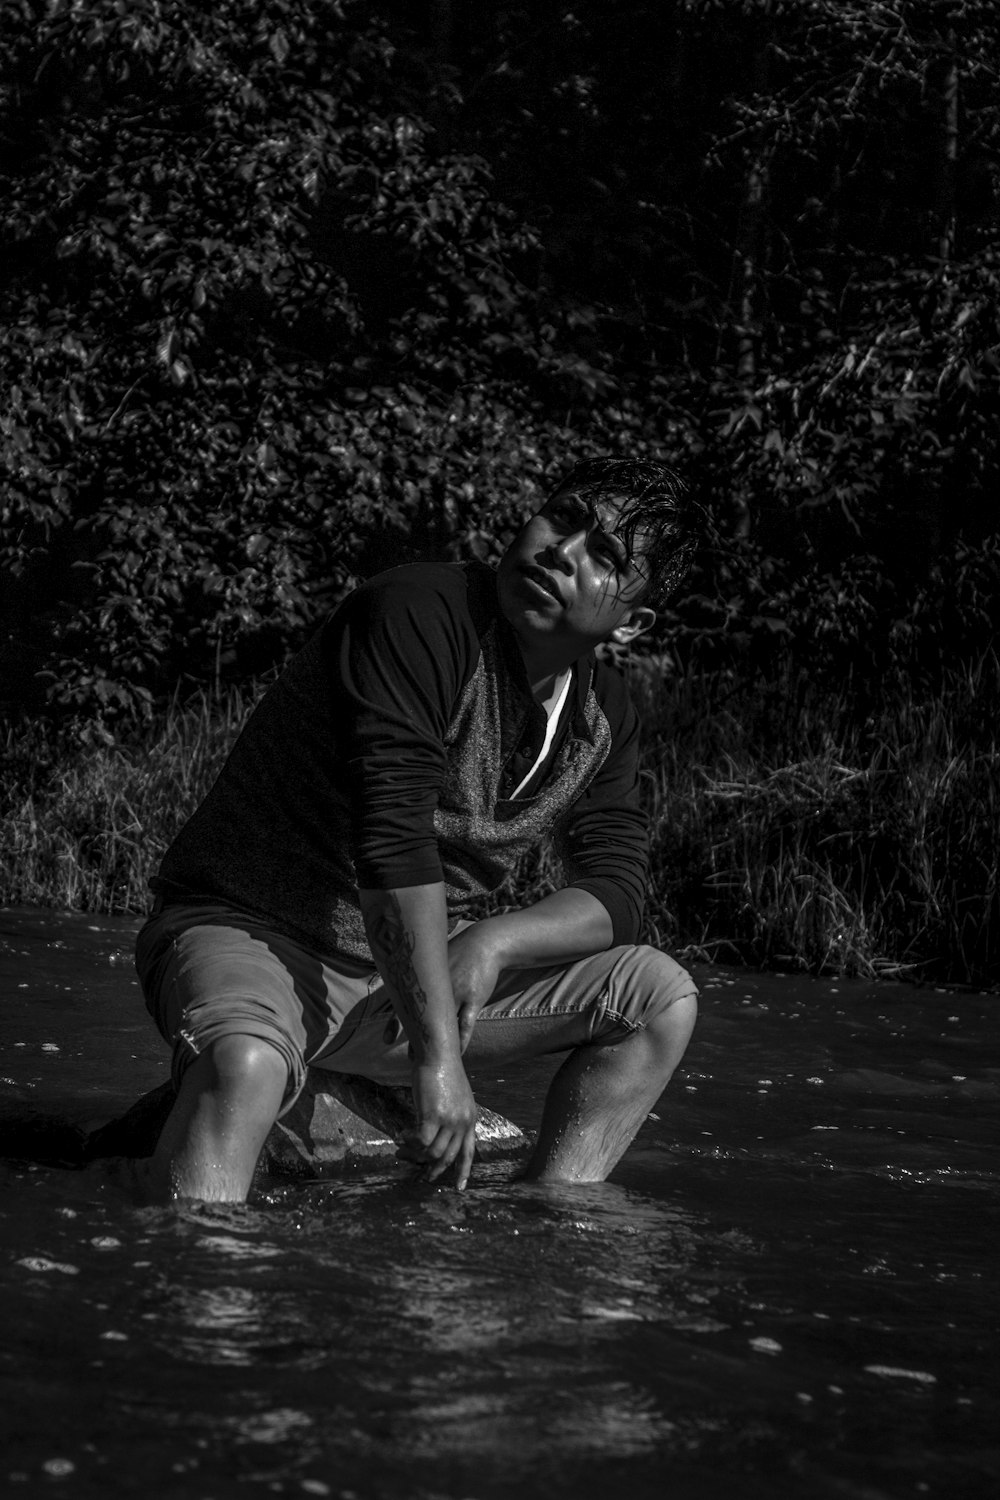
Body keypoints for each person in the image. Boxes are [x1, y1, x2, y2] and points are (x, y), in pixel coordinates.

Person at [135, 456, 701, 1201]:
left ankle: (551, 1215)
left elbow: (617, 890)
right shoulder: (419, 611)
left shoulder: (605, 717)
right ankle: (196, 1282)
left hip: (410, 980)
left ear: (632, 623)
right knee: (244, 1065)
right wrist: (439, 1064)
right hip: (254, 933)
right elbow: (392, 838)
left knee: (659, 999)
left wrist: (494, 943)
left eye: (604, 556)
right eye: (563, 518)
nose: (562, 552)